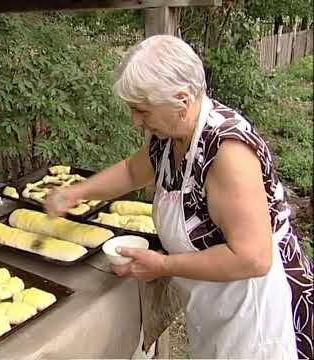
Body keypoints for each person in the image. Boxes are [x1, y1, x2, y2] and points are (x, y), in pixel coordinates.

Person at [44, 35, 313, 359]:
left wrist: (164, 265)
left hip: (255, 308)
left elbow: (252, 258)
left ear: (182, 100)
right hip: (215, 299)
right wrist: (77, 192)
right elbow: (133, 171)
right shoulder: (170, 136)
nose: (135, 121)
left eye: (141, 111)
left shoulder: (227, 153)